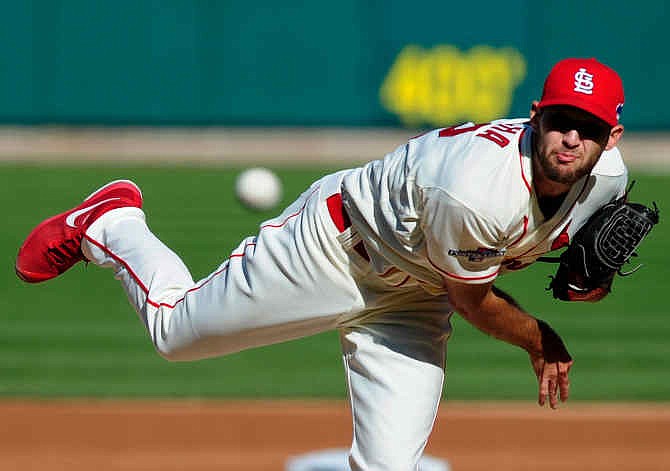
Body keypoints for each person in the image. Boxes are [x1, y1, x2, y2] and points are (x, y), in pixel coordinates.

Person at [16, 57, 627, 471]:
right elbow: (473, 302)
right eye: (560, 122)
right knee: (176, 334)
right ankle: (112, 222)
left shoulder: (607, 182)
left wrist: (585, 285)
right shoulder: (474, 189)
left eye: (588, 129)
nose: (571, 140)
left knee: (391, 466)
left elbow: (570, 272)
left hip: (412, 298)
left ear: (612, 139)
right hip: (331, 250)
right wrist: (540, 337)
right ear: (535, 116)